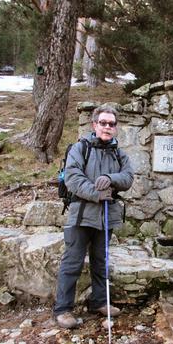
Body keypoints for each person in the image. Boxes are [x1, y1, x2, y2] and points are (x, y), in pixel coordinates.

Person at [54, 105, 134, 328]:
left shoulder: (119, 153)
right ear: (94, 125)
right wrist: (97, 194)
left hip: (106, 217)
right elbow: (72, 177)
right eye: (103, 123)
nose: (107, 127)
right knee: (72, 263)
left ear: (115, 128)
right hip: (81, 215)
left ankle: (99, 302)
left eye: (111, 124)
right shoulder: (80, 148)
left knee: (101, 261)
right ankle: (63, 310)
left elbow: (128, 178)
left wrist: (111, 177)